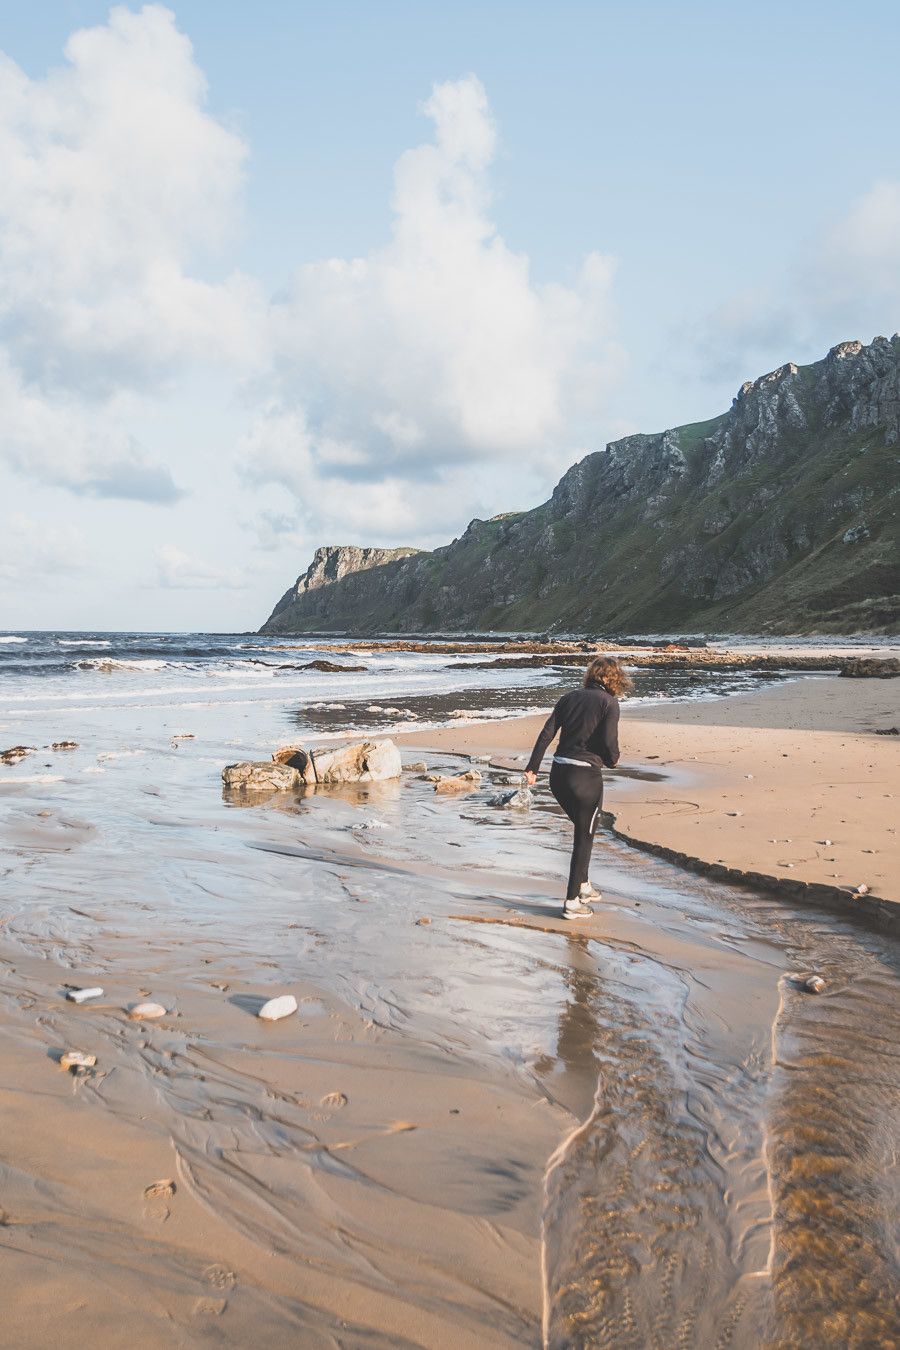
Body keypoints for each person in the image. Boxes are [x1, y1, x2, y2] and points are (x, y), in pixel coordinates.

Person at [524, 655, 632, 919]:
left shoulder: (569, 697)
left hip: (558, 776)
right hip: (585, 778)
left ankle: (583, 885)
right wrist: (613, 760)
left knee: (584, 831)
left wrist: (533, 767)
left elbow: (547, 732)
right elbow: (609, 742)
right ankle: (572, 903)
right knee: (584, 837)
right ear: (615, 679)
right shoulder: (610, 703)